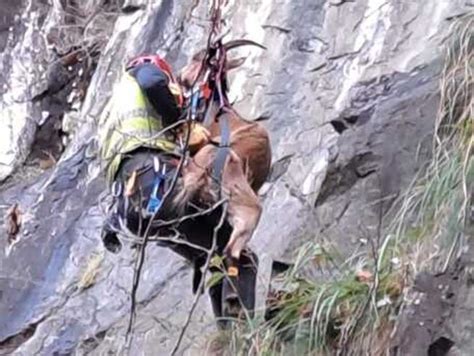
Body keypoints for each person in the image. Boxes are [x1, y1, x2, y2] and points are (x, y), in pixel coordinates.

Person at [99, 54, 208, 252]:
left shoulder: (112, 109)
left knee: (207, 257)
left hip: (131, 209)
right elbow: (152, 83)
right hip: (153, 176)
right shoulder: (143, 70)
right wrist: (177, 116)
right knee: (236, 252)